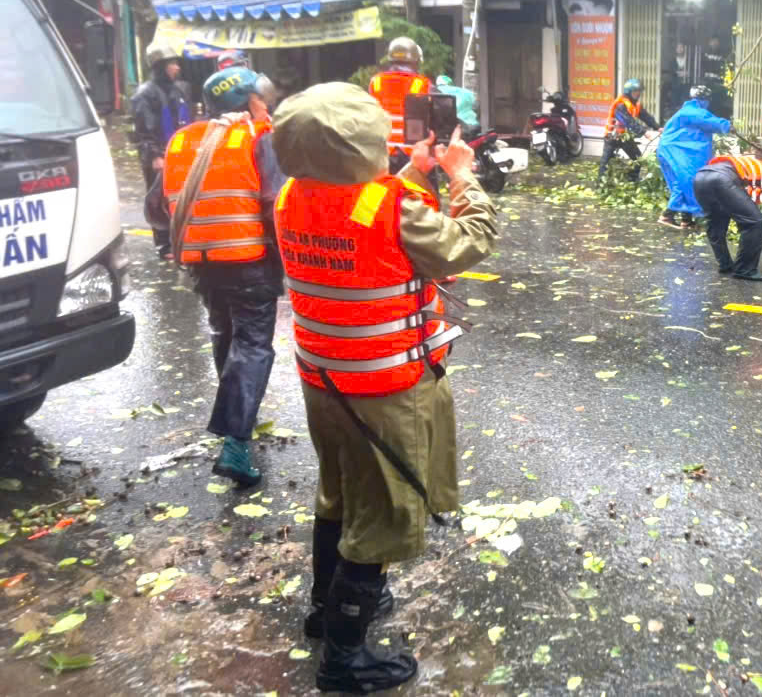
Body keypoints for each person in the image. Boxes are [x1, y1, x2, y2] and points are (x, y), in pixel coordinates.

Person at [270, 82, 498, 693]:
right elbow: (465, 243)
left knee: (338, 495)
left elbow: (355, 206)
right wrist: (461, 177)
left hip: (324, 382)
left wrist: (410, 170)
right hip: (381, 389)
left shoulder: (291, 194)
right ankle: (344, 660)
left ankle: (325, 609)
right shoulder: (392, 207)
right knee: (384, 517)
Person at [162, 66, 284, 487]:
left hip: (200, 261)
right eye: (260, 97)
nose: (265, 104)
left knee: (226, 334)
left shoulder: (182, 139)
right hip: (248, 259)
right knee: (252, 344)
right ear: (248, 101)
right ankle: (235, 441)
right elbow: (274, 202)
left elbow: (154, 205)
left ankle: (239, 417)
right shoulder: (257, 136)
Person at [693, 151, 762, 281]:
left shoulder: (746, 164)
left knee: (716, 221)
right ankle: (745, 269)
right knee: (754, 222)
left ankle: (725, 264)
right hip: (722, 178)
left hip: (699, 177)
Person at [132, 47, 192, 259]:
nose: (177, 68)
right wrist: (154, 155)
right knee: (159, 199)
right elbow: (143, 128)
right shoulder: (145, 94)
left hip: (180, 153)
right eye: (172, 64)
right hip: (159, 155)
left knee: (182, 197)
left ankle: (182, 240)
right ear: (161, 67)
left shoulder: (179, 90)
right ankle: (164, 244)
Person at [656, 85, 730, 228]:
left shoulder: (688, 111)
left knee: (684, 183)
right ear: (703, 99)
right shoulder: (693, 112)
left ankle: (686, 220)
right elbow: (710, 121)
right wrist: (727, 125)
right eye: (707, 99)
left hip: (672, 151)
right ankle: (667, 215)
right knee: (689, 181)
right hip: (675, 151)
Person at [368, 37, 429, 171]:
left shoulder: (376, 82)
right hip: (411, 156)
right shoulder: (422, 84)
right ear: (416, 61)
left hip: (382, 154)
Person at [599, 78, 659, 182]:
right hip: (612, 137)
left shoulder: (636, 105)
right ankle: (601, 184)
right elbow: (628, 121)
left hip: (625, 137)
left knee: (637, 159)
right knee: (605, 162)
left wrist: (657, 127)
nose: (638, 93)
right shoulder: (620, 104)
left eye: (639, 91)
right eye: (636, 91)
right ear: (629, 92)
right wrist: (644, 132)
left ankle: (632, 179)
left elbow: (646, 117)